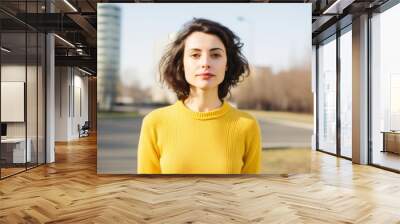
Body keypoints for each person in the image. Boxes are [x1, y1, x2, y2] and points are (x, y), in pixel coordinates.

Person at [137, 18, 262, 174]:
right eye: (195, 55)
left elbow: (250, 193)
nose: (205, 63)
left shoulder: (247, 125)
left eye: (215, 55)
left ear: (227, 64)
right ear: (182, 64)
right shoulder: (154, 122)